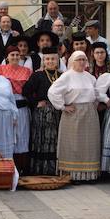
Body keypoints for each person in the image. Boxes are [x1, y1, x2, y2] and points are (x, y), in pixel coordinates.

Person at [48, 51, 101, 182]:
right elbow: (53, 91)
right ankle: (72, 175)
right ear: (73, 61)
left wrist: (95, 104)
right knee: (73, 144)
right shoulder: (67, 76)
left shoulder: (90, 77)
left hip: (89, 114)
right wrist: (62, 106)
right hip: (73, 113)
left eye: (84, 59)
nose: (82, 62)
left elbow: (96, 93)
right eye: (79, 60)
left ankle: (89, 174)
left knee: (89, 144)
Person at [23, 48, 63, 176]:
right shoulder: (37, 75)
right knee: (41, 140)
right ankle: (40, 169)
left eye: (53, 59)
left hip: (58, 112)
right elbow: (26, 91)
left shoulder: (63, 75)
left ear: (57, 61)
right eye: (47, 59)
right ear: (43, 61)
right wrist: (36, 103)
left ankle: (54, 170)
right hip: (42, 113)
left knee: (55, 140)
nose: (50, 61)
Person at [0, 47, 32, 174]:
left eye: (17, 54)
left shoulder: (27, 71)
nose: (15, 57)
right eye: (12, 55)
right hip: (6, 106)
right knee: (7, 134)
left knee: (22, 134)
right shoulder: (0, 69)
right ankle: (6, 165)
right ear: (7, 57)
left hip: (22, 106)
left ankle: (21, 167)